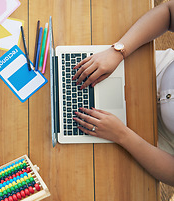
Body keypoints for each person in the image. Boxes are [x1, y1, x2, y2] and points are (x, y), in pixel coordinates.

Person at [72, 0, 174, 186]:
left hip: (148, 142)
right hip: (144, 65)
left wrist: (121, 135)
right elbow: (169, 11)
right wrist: (119, 51)